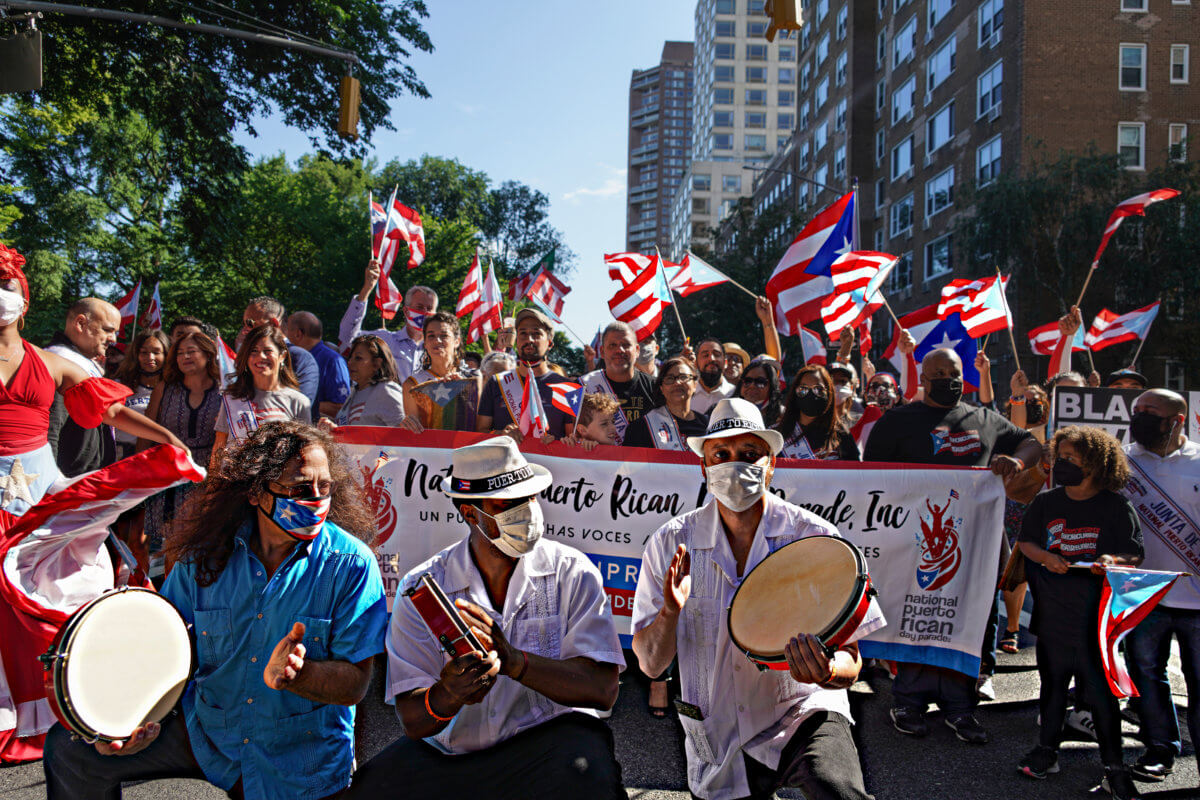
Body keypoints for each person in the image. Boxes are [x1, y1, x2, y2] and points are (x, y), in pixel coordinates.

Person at [42, 422, 388, 799]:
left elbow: (355, 683)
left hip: (296, 760)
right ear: (256, 493)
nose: (317, 499)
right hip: (210, 734)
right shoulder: (204, 557)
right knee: (72, 749)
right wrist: (129, 722)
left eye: (326, 487)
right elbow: (160, 644)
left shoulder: (352, 565)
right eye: (300, 488)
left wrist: (300, 676)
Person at [633, 398, 885, 800]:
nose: (734, 464)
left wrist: (824, 672)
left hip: (802, 711)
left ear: (770, 464)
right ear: (705, 466)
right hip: (719, 731)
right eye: (722, 454)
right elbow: (650, 664)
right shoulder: (671, 543)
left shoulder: (814, 538)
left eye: (749, 454)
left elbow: (851, 660)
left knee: (835, 787)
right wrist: (669, 612)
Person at [346, 437, 625, 799]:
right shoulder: (423, 589)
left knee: (587, 772)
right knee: (371, 789)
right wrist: (448, 694)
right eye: (507, 504)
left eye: (529, 498)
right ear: (468, 512)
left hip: (549, 743)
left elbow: (603, 692)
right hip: (454, 756)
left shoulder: (572, 571)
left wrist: (517, 663)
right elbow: (414, 720)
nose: (526, 510)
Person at [0, 244, 187, 762]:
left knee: (65, 593)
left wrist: (170, 442)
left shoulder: (51, 362)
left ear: (24, 297)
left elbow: (112, 411)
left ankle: (79, 706)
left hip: (40, 501)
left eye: (6, 284)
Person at [864, 347, 1043, 744]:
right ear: (923, 380)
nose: (949, 379)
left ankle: (961, 708)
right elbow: (870, 478)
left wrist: (1017, 462)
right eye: (940, 372)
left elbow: (1031, 444)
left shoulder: (983, 419)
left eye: (955, 372)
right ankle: (908, 701)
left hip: (975, 543)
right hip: (916, 542)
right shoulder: (897, 421)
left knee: (969, 619)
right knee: (918, 616)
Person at [1016, 426, 1143, 799]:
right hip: (1054, 615)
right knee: (1052, 687)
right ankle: (1047, 750)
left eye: (1071, 458)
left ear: (1094, 463)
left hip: (1096, 621)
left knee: (1102, 697)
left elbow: (1135, 554)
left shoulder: (1116, 506)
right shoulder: (1046, 502)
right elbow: (1026, 542)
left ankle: (1114, 767)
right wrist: (1046, 557)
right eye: (1061, 456)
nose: (1062, 464)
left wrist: (1113, 560)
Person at [1123, 389, 1200, 784]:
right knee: (1148, 677)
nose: (1140, 417)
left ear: (1177, 419)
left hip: (1197, 599)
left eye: (1150, 412)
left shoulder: (1199, 461)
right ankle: (1159, 750)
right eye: (1137, 410)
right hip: (1144, 595)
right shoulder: (1123, 461)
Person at [140, 332, 223, 558]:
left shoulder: (224, 391)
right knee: (160, 548)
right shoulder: (165, 389)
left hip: (206, 476)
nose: (184, 356)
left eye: (191, 351)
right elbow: (146, 430)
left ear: (208, 354)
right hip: (166, 474)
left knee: (198, 544)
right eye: (179, 353)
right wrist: (140, 472)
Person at [996, 369, 1052, 656]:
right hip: (1017, 507)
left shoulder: (1057, 432)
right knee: (1013, 571)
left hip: (1053, 508)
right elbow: (1020, 432)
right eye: (1023, 401)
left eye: (1036, 400)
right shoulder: (1008, 430)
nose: (1032, 405)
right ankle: (1013, 628)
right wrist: (1018, 396)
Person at [212, 325, 311, 468]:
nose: (261, 357)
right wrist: (211, 488)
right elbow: (219, 448)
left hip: (279, 485)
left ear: (282, 355)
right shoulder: (233, 398)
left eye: (268, 351)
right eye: (254, 351)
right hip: (237, 486)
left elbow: (305, 451)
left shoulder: (299, 402)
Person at [45, 298, 122, 476]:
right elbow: (50, 430)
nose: (113, 339)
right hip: (65, 482)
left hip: (87, 478)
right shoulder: (58, 363)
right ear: (80, 323)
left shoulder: (81, 364)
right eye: (108, 330)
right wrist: (49, 482)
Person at [476, 308, 573, 440]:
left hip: (548, 460)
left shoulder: (566, 387)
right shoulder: (496, 383)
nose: (529, 339)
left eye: (536, 334)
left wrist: (556, 442)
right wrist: (501, 434)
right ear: (516, 341)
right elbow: (480, 432)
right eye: (523, 333)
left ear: (549, 343)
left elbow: (573, 439)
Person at [338, 258, 437, 382]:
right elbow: (347, 338)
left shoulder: (438, 350)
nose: (425, 313)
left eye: (429, 309)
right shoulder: (383, 340)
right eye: (419, 307)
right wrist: (366, 290)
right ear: (406, 311)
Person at [238, 297, 318, 417]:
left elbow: (301, 407)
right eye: (244, 324)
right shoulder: (248, 357)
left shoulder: (300, 357)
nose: (245, 330)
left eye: (250, 323)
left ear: (273, 324)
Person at [403, 310, 481, 432]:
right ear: (425, 343)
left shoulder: (475, 379)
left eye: (444, 335)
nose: (437, 341)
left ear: (457, 341)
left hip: (467, 448)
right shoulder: (413, 384)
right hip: (432, 449)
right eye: (431, 335)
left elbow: (482, 425)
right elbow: (414, 433)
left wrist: (465, 393)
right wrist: (407, 426)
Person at [580, 321, 658, 443]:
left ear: (637, 350)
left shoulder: (656, 387)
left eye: (626, 344)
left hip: (647, 460)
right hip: (601, 460)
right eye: (612, 345)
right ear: (602, 351)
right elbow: (574, 435)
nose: (619, 350)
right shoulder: (583, 387)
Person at [775, 365, 859, 460]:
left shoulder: (840, 433)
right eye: (803, 389)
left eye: (818, 390)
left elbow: (855, 471)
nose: (810, 395)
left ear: (829, 394)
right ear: (794, 393)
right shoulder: (777, 434)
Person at [624, 356, 709, 451]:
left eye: (684, 377)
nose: (677, 382)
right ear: (661, 388)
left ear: (695, 385)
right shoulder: (641, 428)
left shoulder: (708, 425)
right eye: (669, 378)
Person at [328, 334, 412, 428]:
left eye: (358, 358)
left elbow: (405, 434)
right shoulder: (356, 391)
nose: (350, 362)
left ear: (376, 364)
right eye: (350, 357)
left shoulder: (386, 391)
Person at [112, 329, 169, 459]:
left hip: (157, 455)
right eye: (144, 352)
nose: (150, 357)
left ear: (166, 354)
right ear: (136, 355)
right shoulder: (119, 385)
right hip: (120, 455)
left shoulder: (172, 389)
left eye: (156, 352)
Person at [286, 311, 351, 419]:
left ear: (298, 334)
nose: (284, 336)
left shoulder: (333, 360)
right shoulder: (290, 357)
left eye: (286, 330)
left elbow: (341, 407)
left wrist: (300, 404)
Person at [734, 358, 783, 428]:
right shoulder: (726, 410)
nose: (752, 385)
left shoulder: (782, 416)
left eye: (760, 382)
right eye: (747, 381)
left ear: (772, 386)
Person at [690, 338, 735, 414]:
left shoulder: (735, 394)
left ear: (725, 363)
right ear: (696, 363)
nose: (711, 359)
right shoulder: (686, 394)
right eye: (705, 355)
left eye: (717, 355)